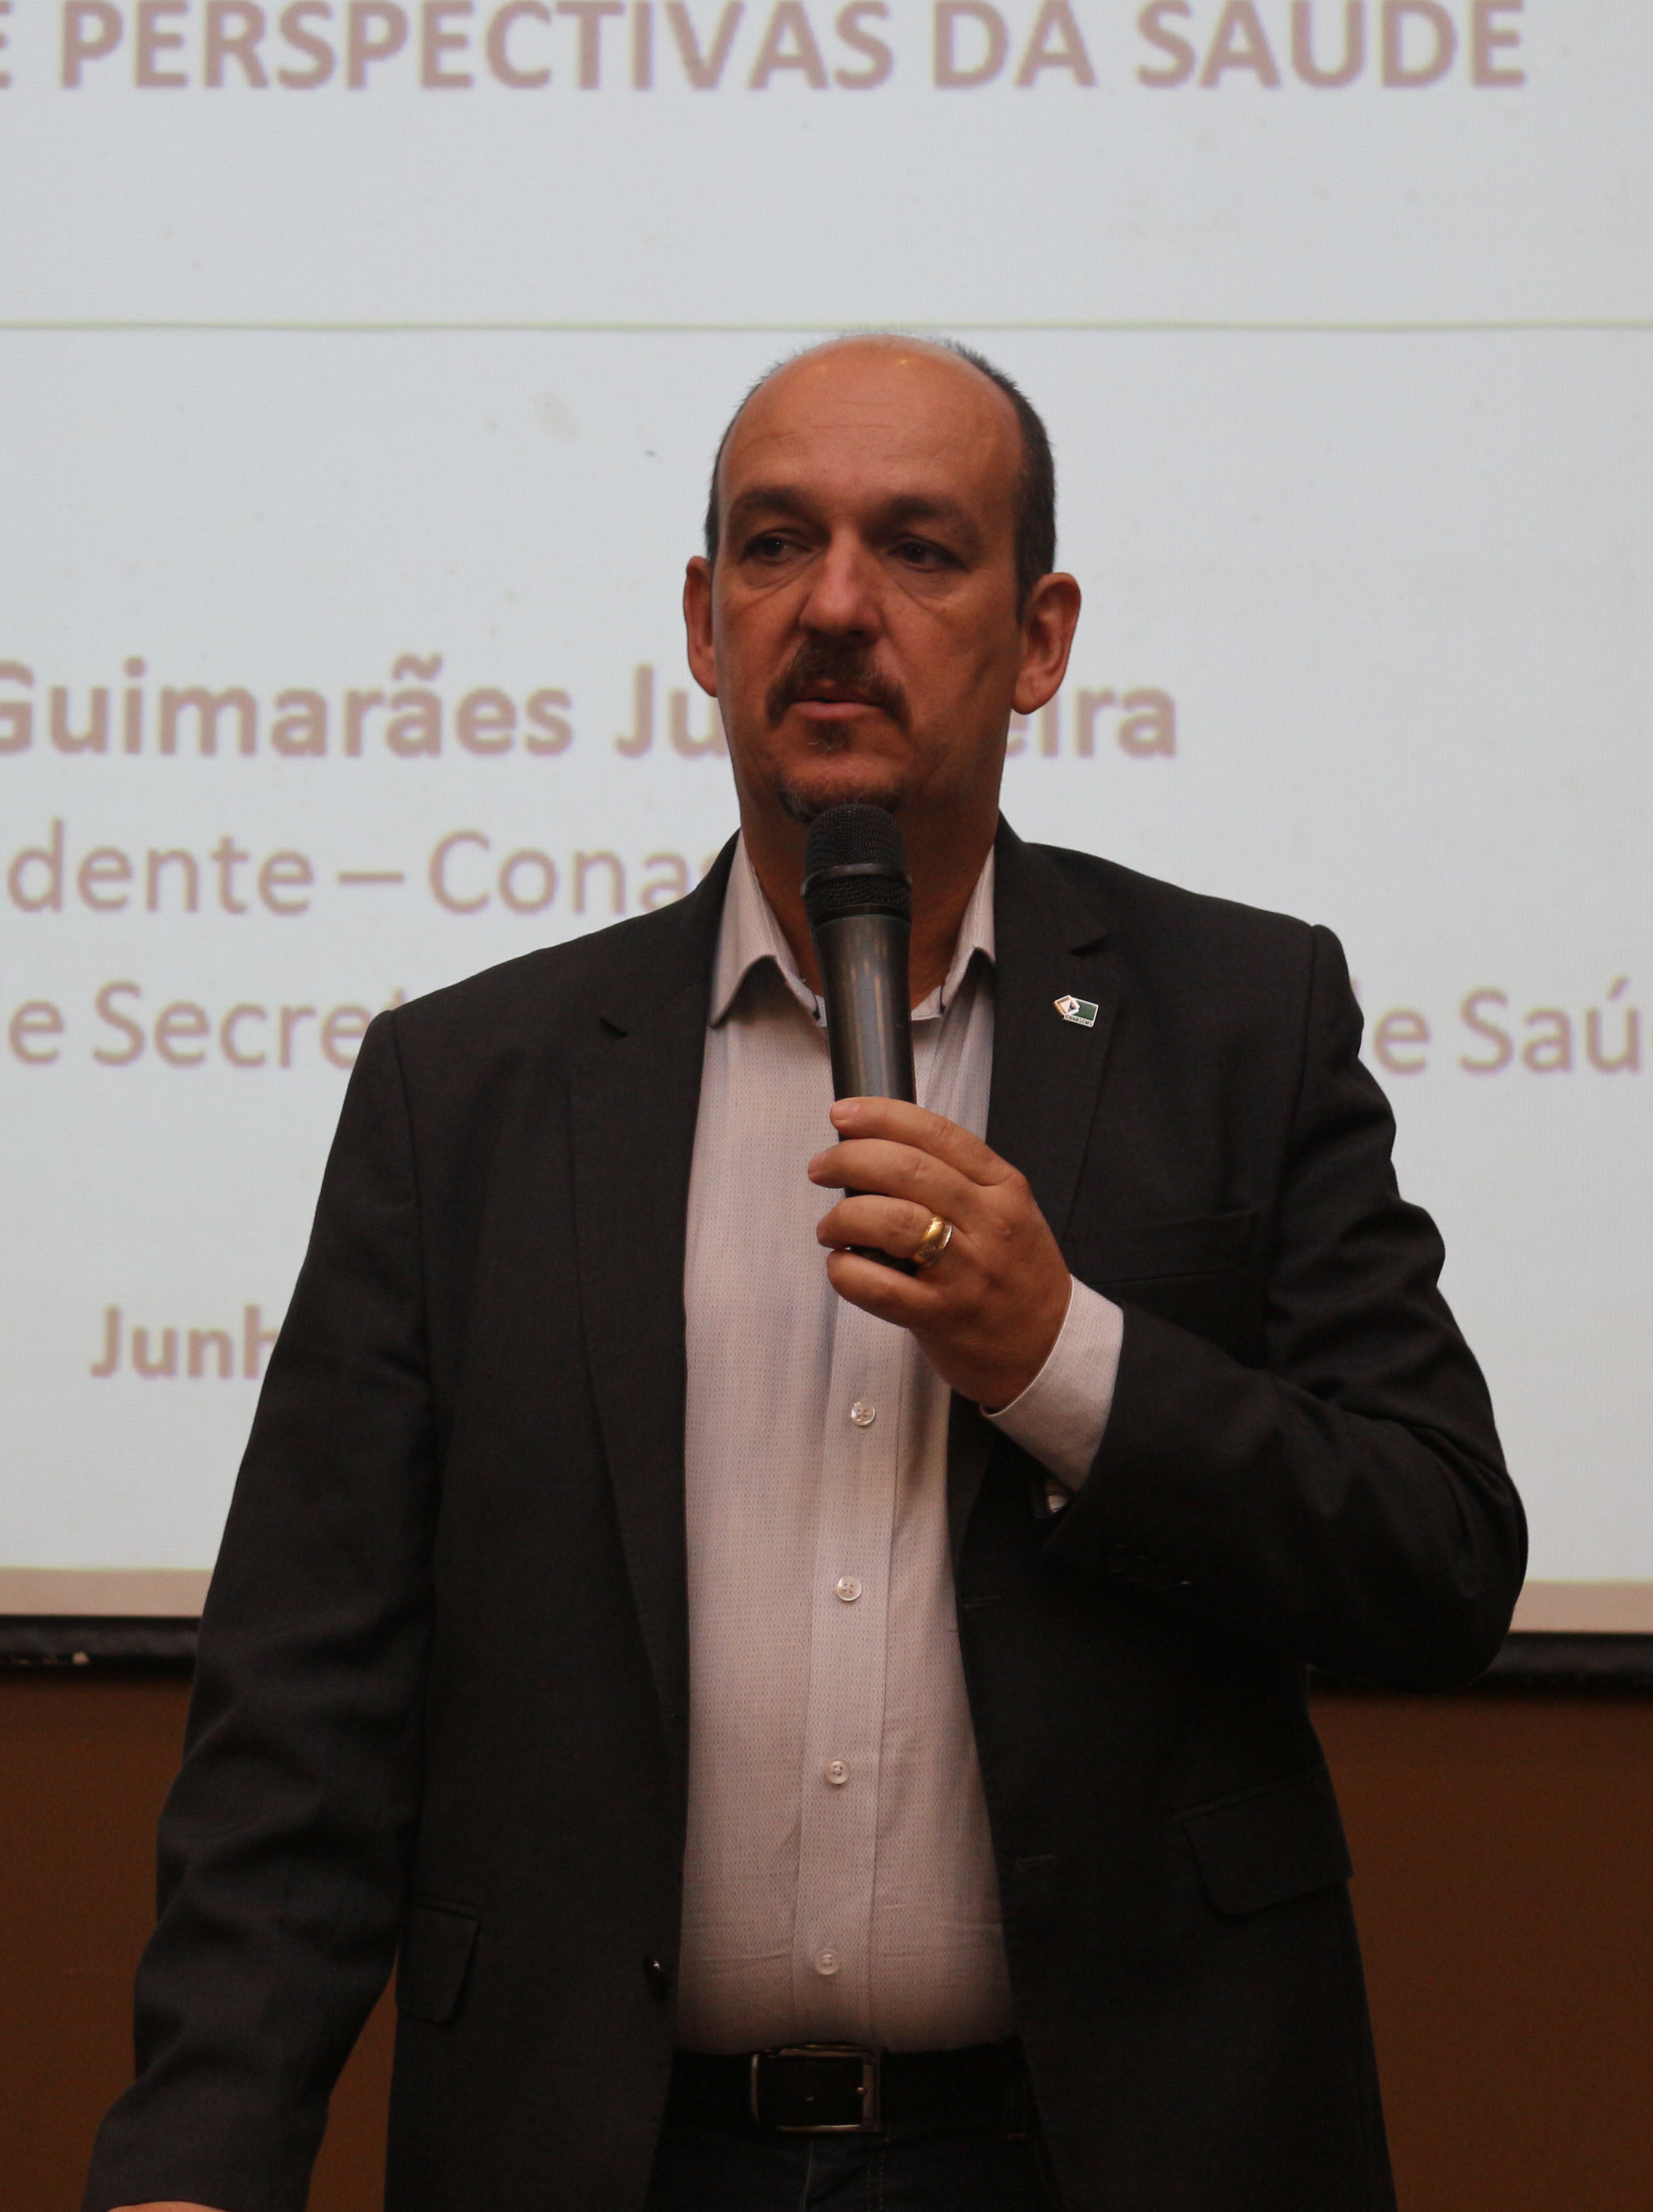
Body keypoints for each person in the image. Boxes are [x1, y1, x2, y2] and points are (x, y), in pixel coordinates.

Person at [85, 335, 1523, 2212]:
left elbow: (1437, 1553)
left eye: (918, 549)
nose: (836, 606)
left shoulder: (1243, 1024)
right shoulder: (474, 1088)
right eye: (778, 546)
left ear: (1041, 638)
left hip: (1100, 2151)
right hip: (608, 2158)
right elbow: (306, 1700)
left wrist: (1065, 1361)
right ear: (704, 621)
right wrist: (198, 2159)